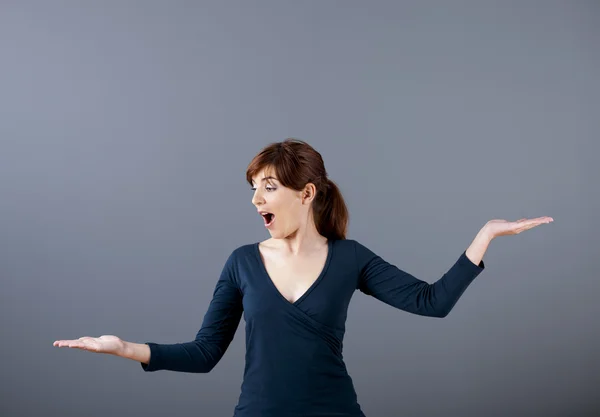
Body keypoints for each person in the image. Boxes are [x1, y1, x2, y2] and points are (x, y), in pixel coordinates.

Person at [53, 138, 553, 416]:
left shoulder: (351, 258)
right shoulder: (241, 263)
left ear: (307, 193)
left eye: (268, 187)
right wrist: (125, 348)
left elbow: (431, 302)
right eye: (253, 188)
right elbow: (206, 354)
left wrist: (483, 237)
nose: (256, 200)